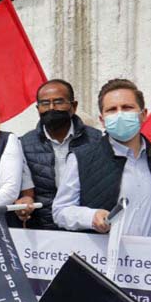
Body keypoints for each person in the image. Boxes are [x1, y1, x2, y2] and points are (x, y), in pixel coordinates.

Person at [53, 79, 151, 236]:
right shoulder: (81, 158)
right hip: (103, 257)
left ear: (143, 115)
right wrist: (90, 217)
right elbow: (60, 211)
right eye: (112, 110)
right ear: (102, 120)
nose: (120, 114)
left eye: (127, 107)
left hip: (147, 258)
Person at [15, 80, 102, 229]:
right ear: (38, 109)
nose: (51, 108)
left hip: (87, 228)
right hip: (43, 231)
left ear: (73, 106)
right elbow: (24, 191)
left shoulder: (97, 140)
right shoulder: (24, 144)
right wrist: (23, 203)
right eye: (45, 103)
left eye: (58, 102)